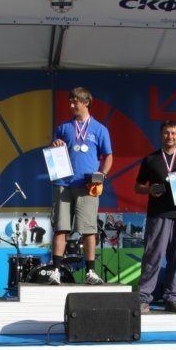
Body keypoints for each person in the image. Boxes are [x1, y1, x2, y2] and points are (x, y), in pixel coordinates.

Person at [48, 86, 113, 285]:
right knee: (61, 228)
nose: (71, 105)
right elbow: (54, 152)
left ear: (85, 102)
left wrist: (102, 174)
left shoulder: (100, 129)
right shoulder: (63, 127)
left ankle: (90, 273)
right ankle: (55, 271)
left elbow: (108, 156)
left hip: (87, 185)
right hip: (63, 183)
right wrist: (54, 145)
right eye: (70, 102)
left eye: (74, 101)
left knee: (88, 229)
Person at [134, 120, 176, 313]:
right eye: (167, 133)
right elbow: (137, 187)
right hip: (158, 214)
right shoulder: (151, 159)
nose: (170, 136)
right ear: (161, 135)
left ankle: (172, 298)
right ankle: (143, 298)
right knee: (153, 256)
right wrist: (149, 190)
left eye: (173, 133)